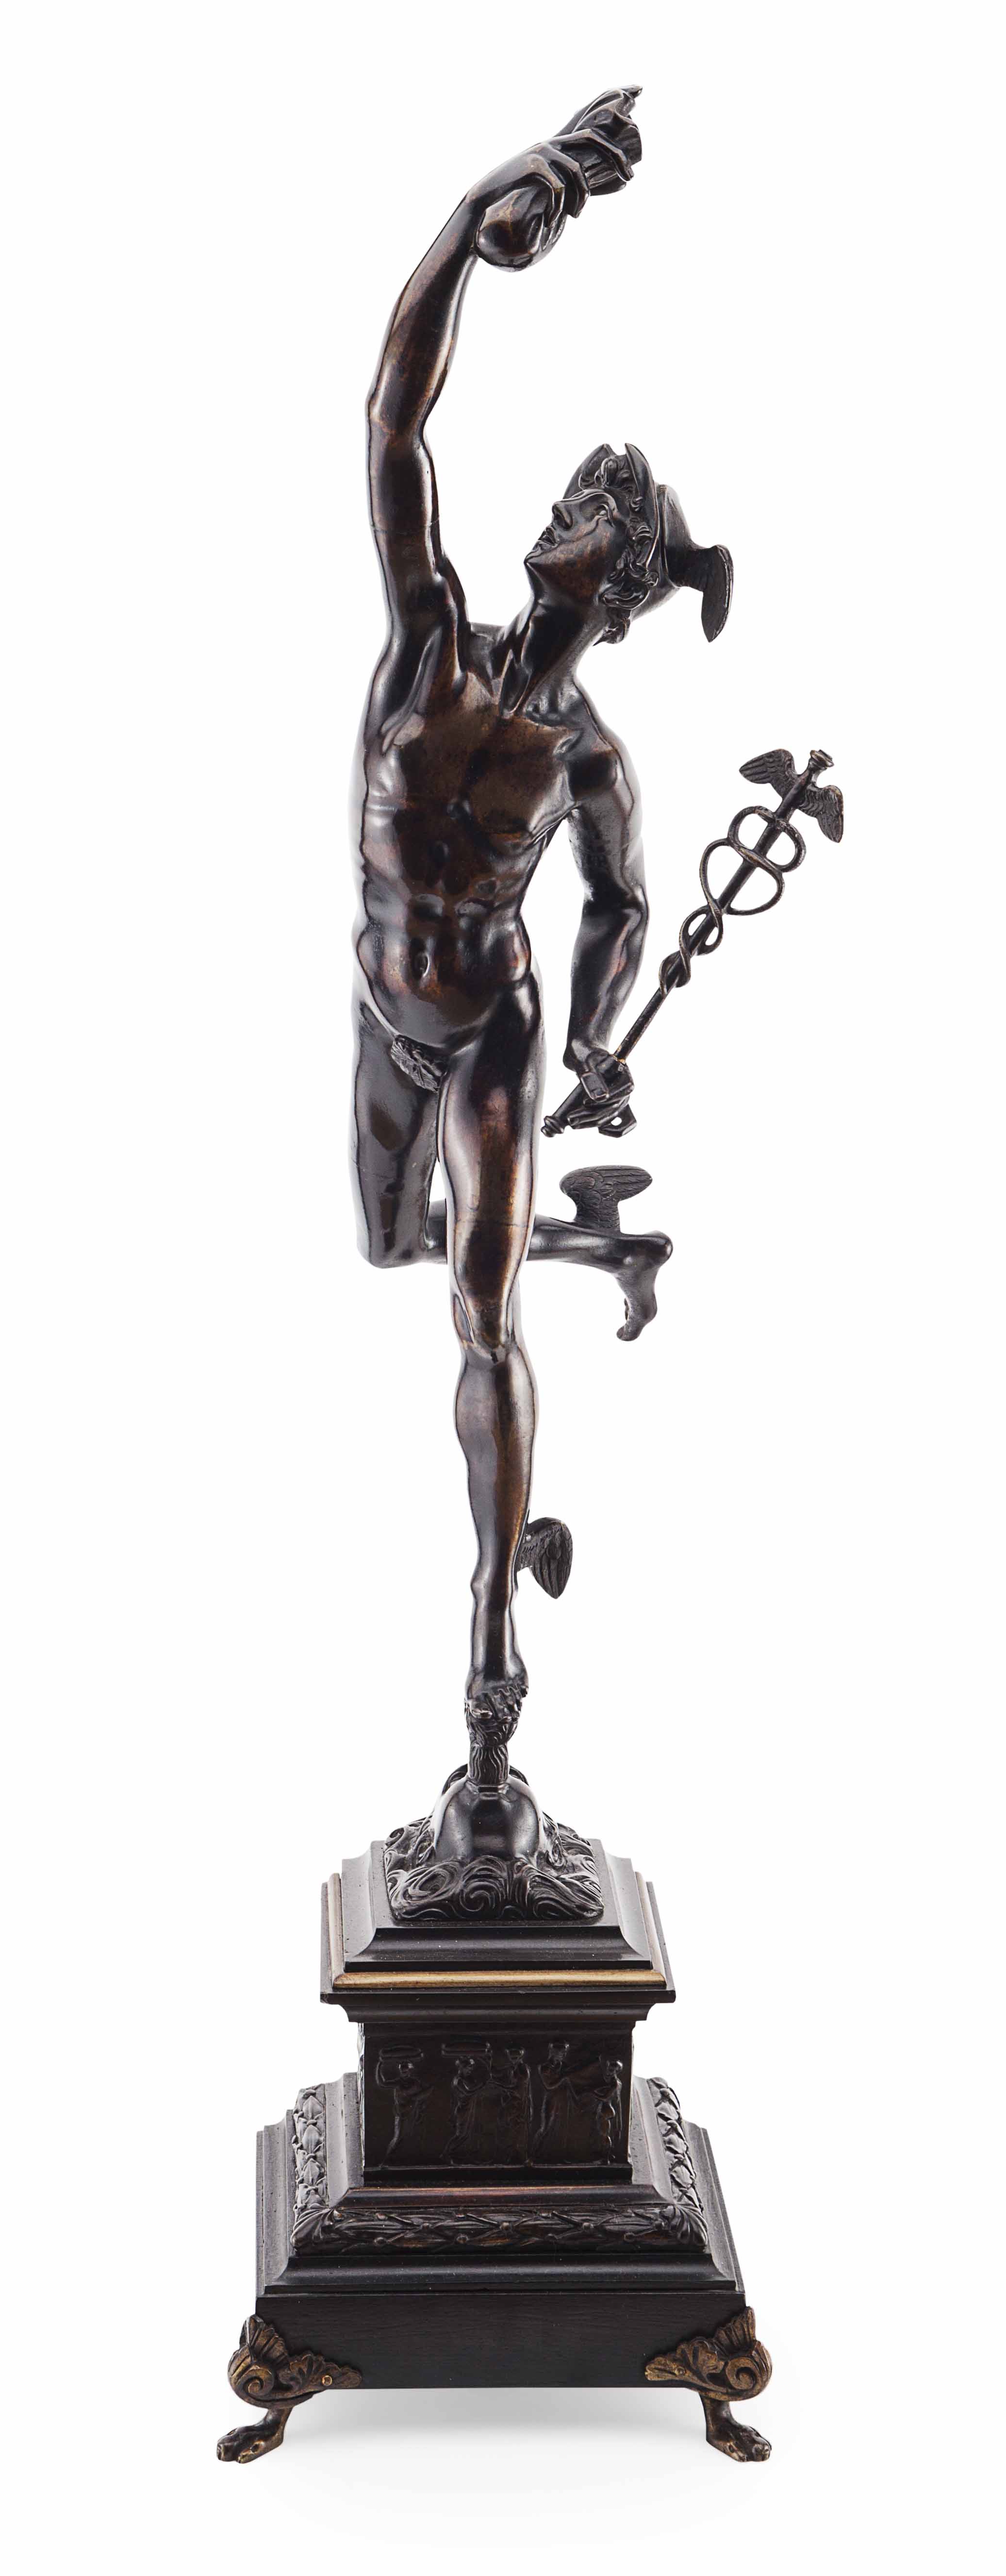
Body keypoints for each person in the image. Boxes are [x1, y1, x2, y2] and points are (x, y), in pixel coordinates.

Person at [351, 93, 731, 1749]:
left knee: (476, 1314)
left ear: (616, 577)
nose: (558, 508)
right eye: (574, 492)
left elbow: (623, 901)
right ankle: (585, 1241)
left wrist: (586, 1042)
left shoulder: (586, 759)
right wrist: (484, 209)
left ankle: (492, 1648)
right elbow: (394, 414)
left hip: (490, 1031)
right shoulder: (426, 636)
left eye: (590, 508)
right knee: (391, 1242)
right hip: (384, 1012)